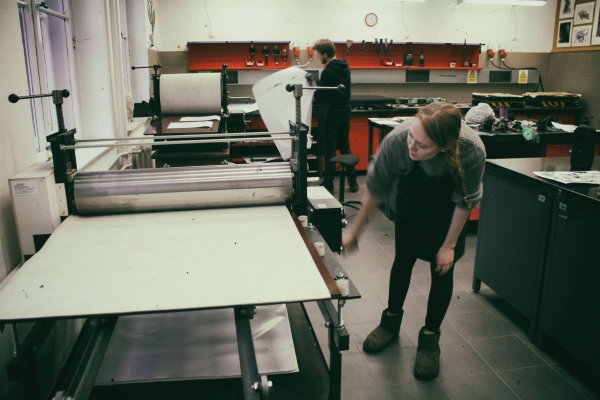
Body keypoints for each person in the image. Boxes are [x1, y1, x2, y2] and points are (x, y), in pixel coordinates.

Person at [342, 102, 486, 381]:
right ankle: (390, 322)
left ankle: (430, 339)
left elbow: (466, 199)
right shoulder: (398, 140)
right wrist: (355, 231)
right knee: (404, 257)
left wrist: (449, 246)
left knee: (442, 269)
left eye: (422, 145)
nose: (411, 146)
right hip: (413, 199)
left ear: (445, 147)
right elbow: (376, 185)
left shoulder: (471, 150)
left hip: (449, 210)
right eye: (411, 137)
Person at [313, 39, 358, 194]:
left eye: (318, 54)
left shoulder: (328, 71)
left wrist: (315, 86)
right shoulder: (345, 67)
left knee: (330, 150)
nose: (317, 57)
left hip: (332, 114)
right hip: (345, 112)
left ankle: (329, 185)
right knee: (345, 146)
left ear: (325, 54)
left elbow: (319, 96)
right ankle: (353, 182)